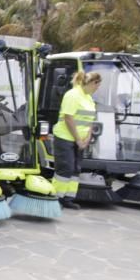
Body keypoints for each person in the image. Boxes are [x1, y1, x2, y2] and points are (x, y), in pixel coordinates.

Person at [51, 70, 102, 209]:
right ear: (91, 82)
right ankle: (55, 198)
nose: (98, 88)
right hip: (65, 137)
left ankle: (68, 198)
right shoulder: (73, 95)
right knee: (65, 169)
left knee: (75, 170)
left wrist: (87, 138)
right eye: (97, 85)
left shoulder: (89, 98)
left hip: (80, 140)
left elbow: (90, 120)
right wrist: (78, 139)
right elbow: (68, 118)